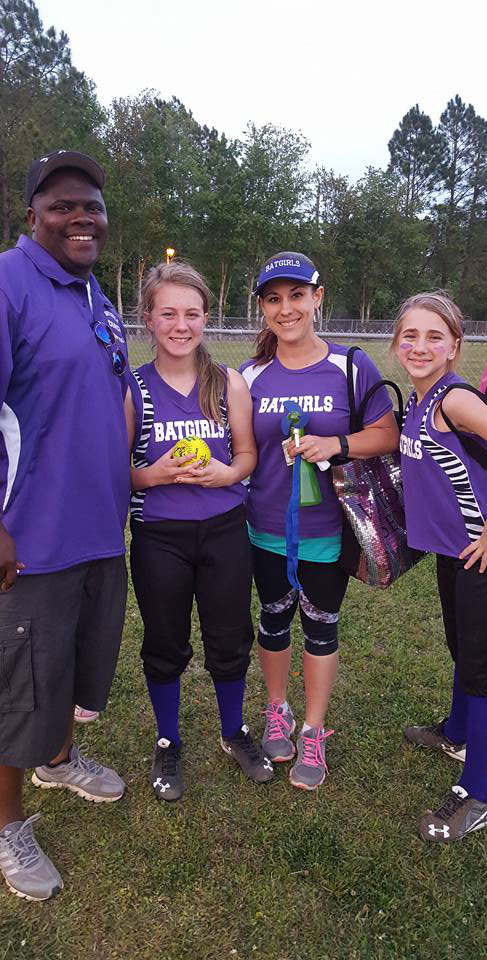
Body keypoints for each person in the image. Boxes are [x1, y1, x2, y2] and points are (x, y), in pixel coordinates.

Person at [0, 150, 130, 901]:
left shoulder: (94, 296)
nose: (82, 217)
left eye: (94, 207)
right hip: (32, 537)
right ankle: (9, 824)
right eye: (63, 205)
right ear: (31, 216)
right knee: (19, 686)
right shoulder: (9, 284)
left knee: (72, 671)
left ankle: (58, 759)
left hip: (96, 531)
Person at [240, 251, 399, 790]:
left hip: (327, 530)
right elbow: (240, 449)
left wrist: (337, 443)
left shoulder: (351, 365)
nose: (286, 309)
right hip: (263, 525)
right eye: (274, 299)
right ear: (262, 307)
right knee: (273, 618)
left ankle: (312, 729)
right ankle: (277, 709)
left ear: (318, 298)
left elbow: (388, 433)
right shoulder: (251, 374)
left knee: (321, 627)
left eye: (297, 296)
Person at [125, 261, 273, 803]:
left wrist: (226, 473)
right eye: (168, 313)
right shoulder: (133, 387)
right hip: (160, 533)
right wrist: (155, 473)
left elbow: (248, 453)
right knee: (165, 640)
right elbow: (116, 472)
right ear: (149, 319)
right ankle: (168, 739)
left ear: (206, 317)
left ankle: (233, 732)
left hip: (224, 529)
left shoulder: (226, 381)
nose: (180, 324)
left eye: (191, 313)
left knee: (230, 637)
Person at [393, 291, 487, 843]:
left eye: (434, 337)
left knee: (482, 669)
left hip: (485, 554)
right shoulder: (420, 399)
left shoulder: (454, 400)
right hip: (455, 553)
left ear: (454, 347)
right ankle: (456, 732)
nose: (420, 346)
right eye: (410, 335)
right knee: (464, 650)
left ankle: (478, 795)